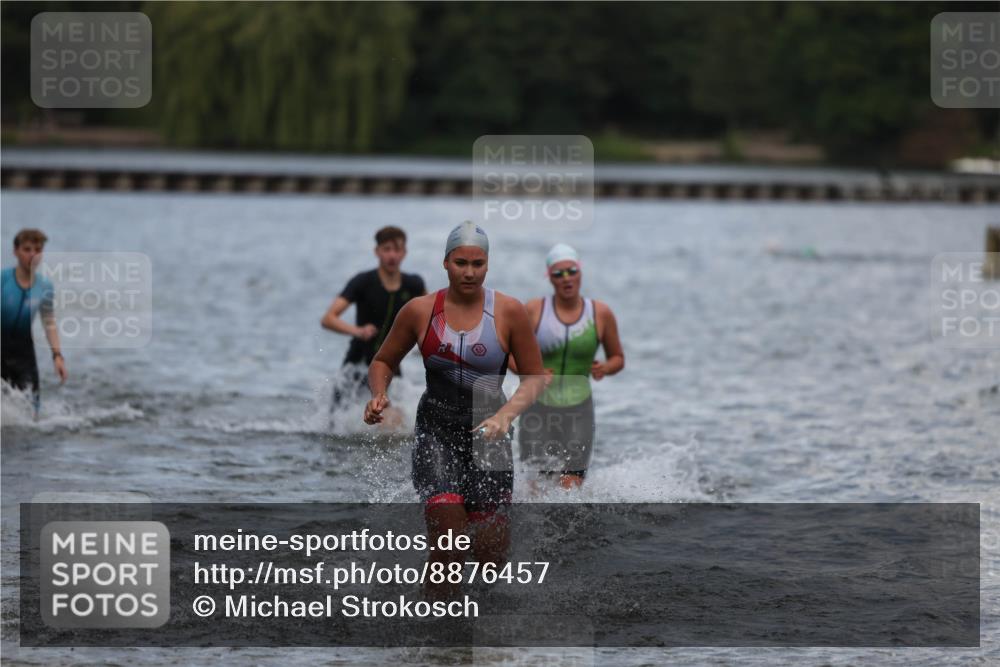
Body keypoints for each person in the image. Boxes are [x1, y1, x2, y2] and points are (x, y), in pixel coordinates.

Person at [364, 221, 545, 598]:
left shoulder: (509, 312)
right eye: (461, 262)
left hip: (491, 434)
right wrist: (379, 394)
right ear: (445, 263)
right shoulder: (420, 311)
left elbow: (534, 378)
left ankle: (475, 624)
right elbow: (382, 362)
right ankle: (436, 625)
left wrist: (505, 415)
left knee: (491, 555)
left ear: (487, 265)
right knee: (449, 544)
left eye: (478, 263)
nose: (469, 272)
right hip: (437, 429)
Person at [512, 243, 623, 489]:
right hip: (537, 408)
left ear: (580, 272)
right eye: (558, 274)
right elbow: (508, 355)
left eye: (571, 271)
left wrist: (605, 367)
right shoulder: (533, 310)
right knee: (536, 485)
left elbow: (618, 358)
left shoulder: (600, 313)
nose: (566, 278)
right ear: (549, 278)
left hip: (579, 411)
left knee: (571, 485)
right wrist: (532, 373)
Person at [321, 226, 425, 427]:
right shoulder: (363, 282)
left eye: (397, 250)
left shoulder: (413, 284)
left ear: (404, 252)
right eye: (387, 249)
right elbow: (328, 319)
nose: (392, 255)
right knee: (334, 426)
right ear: (377, 252)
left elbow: (431, 319)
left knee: (395, 421)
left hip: (390, 366)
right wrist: (357, 331)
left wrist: (424, 343)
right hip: (357, 365)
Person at [1, 228, 67, 416]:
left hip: (24, 356)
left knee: (31, 413)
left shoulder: (44, 285)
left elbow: (49, 322)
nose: (32, 255)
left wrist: (57, 356)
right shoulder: (3, 280)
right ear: (15, 251)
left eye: (37, 250)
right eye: (27, 249)